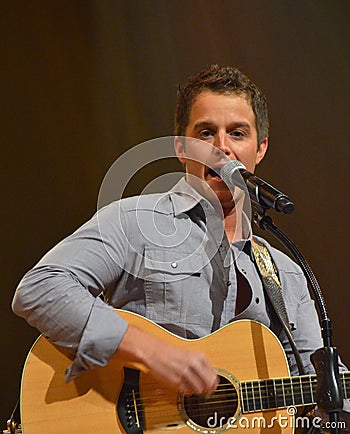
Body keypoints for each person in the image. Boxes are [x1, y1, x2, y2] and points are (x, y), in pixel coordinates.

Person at [12, 65, 348, 425]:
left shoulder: (286, 272)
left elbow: (321, 384)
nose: (222, 147)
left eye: (237, 133)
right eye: (206, 133)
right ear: (181, 147)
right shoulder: (134, 222)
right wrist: (151, 351)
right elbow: (40, 288)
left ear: (260, 148)